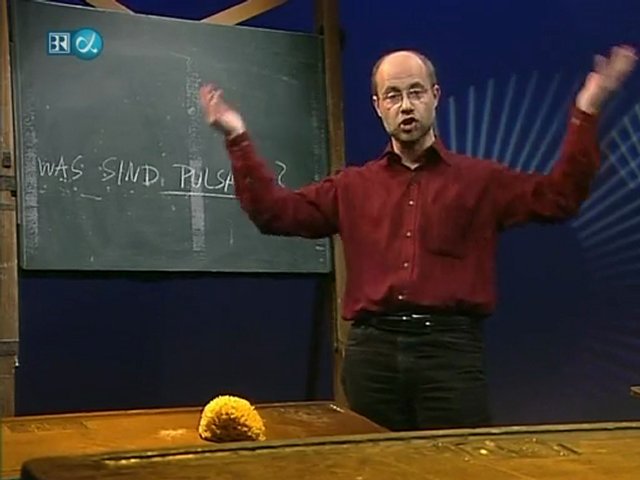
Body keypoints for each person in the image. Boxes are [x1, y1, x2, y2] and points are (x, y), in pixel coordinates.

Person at [198, 45, 637, 431]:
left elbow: (559, 198)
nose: (406, 105)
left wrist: (587, 110)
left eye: (415, 92)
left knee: (457, 465)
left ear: (435, 96)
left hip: (449, 353)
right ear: (378, 106)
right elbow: (274, 213)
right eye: (393, 95)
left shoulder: (480, 181)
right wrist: (237, 137)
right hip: (372, 355)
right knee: (375, 467)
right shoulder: (352, 187)